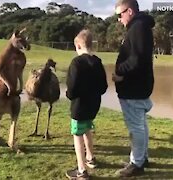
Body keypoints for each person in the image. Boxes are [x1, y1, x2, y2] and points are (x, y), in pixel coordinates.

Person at [112, 0, 155, 177]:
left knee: (135, 128)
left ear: (129, 11)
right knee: (141, 125)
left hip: (134, 87)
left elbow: (137, 59)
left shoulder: (137, 27)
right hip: (138, 85)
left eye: (119, 14)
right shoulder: (140, 26)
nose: (118, 19)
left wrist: (119, 72)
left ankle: (136, 164)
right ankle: (141, 158)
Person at [65, 29, 108, 179]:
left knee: (77, 134)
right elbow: (104, 87)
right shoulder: (98, 61)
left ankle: (81, 170)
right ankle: (90, 158)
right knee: (87, 128)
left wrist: (70, 96)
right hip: (93, 106)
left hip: (79, 107)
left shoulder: (76, 63)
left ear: (77, 46)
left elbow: (71, 88)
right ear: (91, 44)